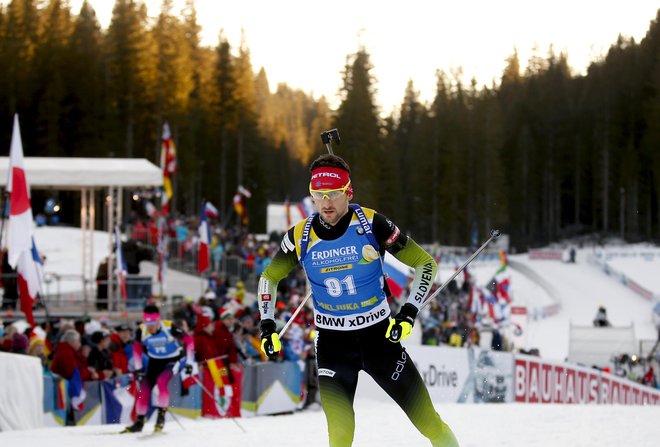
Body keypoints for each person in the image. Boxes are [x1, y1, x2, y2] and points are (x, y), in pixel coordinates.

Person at [257, 154, 459, 447]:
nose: (326, 202)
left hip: (379, 340)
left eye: (334, 193)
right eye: (318, 194)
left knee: (429, 422)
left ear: (348, 191)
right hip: (333, 346)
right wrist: (267, 326)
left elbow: (425, 263)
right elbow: (269, 278)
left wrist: (408, 313)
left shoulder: (372, 223)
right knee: (339, 437)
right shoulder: (300, 236)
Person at [122, 304, 195, 433]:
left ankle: (161, 418)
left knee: (162, 382)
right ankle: (139, 422)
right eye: (147, 322)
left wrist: (189, 363)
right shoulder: (142, 330)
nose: (150, 326)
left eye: (153, 322)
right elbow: (137, 348)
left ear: (158, 320)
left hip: (173, 360)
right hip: (155, 361)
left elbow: (189, 340)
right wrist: (138, 369)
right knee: (144, 389)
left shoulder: (169, 327)